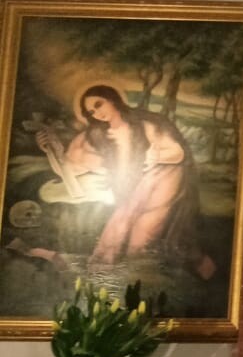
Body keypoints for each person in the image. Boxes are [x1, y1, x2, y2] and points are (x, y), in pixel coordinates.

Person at [43, 84, 211, 273]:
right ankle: (105, 275)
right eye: (91, 112)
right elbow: (70, 167)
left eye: (99, 104)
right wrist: (51, 150)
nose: (97, 113)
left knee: (140, 240)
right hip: (132, 190)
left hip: (161, 180)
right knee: (117, 230)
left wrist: (154, 156)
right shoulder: (97, 135)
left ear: (112, 99)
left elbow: (177, 153)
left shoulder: (143, 123)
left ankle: (145, 276)